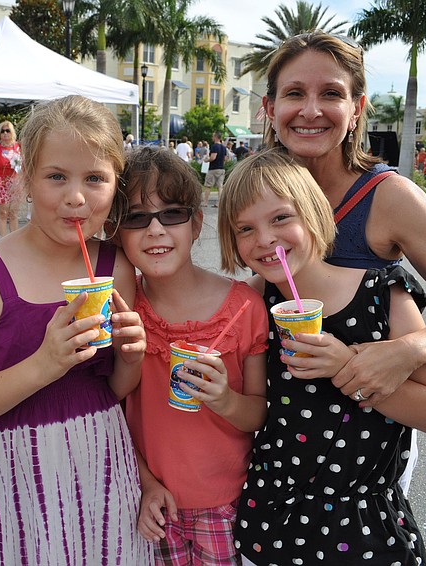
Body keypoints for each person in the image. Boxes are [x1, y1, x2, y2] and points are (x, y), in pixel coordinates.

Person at [217, 148, 426, 566]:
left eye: (280, 218)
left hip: (365, 525)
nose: (265, 239)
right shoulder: (253, 301)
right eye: (245, 229)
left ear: (314, 214)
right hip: (271, 519)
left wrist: (346, 367)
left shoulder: (383, 293)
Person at [0, 95, 153, 565]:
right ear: (27, 179)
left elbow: (112, 389)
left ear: (115, 185)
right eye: (56, 176)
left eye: (94, 178)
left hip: (102, 463)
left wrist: (133, 358)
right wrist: (44, 364)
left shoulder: (114, 266)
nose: (75, 197)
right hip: (18, 469)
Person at [261, 31, 426, 431]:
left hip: (369, 454)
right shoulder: (260, 193)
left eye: (331, 93)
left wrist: (410, 350)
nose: (311, 110)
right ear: (270, 107)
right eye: (295, 93)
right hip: (279, 441)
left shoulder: (389, 197)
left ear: (356, 109)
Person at [114, 146, 268, 565]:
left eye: (173, 214)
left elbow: (258, 414)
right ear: (117, 232)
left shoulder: (245, 307)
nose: (156, 229)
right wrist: (145, 483)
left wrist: (225, 399)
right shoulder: (122, 311)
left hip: (228, 502)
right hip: (152, 504)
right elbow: (114, 411)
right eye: (136, 217)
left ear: (197, 223)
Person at [0, 121, 21, 237]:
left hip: (16, 183)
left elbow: (24, 167)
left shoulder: (18, 147)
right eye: (2, 131)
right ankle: (2, 239)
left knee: (14, 214)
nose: (5, 133)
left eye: (8, 131)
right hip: (1, 183)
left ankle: (15, 239)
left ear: (12, 132)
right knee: (3, 213)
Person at [203, 131, 227, 208]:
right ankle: (220, 203)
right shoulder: (224, 147)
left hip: (213, 168)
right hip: (221, 168)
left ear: (216, 137)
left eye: (213, 136)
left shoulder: (214, 146)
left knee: (208, 186)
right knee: (220, 186)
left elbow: (213, 157)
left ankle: (205, 202)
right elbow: (226, 159)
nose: (212, 137)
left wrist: (206, 160)